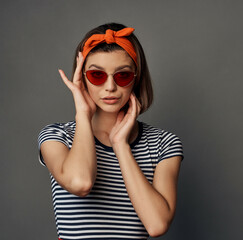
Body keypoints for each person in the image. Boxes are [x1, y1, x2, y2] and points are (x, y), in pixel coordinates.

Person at [37, 23, 183, 240]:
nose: (110, 87)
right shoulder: (57, 137)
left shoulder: (163, 143)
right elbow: (81, 183)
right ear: (82, 78)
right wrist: (83, 115)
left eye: (122, 75)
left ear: (136, 78)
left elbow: (157, 224)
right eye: (97, 75)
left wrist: (121, 146)